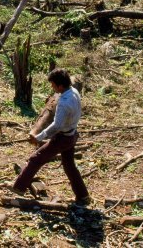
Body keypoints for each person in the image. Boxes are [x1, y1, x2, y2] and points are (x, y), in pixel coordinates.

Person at [11, 68, 90, 205]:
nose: (52, 88)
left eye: (53, 85)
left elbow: (56, 125)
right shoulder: (74, 92)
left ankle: (19, 187)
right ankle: (83, 196)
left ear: (60, 85)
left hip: (63, 138)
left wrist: (39, 137)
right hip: (72, 134)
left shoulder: (64, 103)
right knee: (69, 165)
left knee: (36, 159)